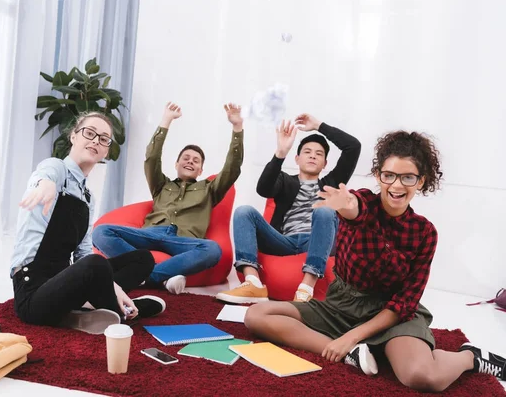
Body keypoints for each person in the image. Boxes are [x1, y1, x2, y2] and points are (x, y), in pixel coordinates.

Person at [242, 130, 505, 391]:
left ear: (421, 181)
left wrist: (352, 336)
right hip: (340, 306)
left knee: (423, 377)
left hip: (390, 315)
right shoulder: (363, 201)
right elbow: (356, 209)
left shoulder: (424, 232)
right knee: (257, 315)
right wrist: (345, 204)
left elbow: (404, 302)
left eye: (408, 177)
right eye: (389, 175)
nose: (397, 185)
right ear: (379, 175)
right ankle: (351, 353)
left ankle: (469, 357)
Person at [10, 112, 165, 335]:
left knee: (142, 259)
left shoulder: (87, 197)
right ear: (74, 136)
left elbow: (82, 255)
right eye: (89, 133)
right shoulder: (56, 169)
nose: (95, 141)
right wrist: (45, 184)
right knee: (96, 264)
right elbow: (45, 173)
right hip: (33, 293)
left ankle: (89, 307)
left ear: (106, 150)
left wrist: (112, 285)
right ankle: (121, 311)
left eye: (103, 139)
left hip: (64, 283)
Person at [93, 102, 244, 294]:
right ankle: (160, 277)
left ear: (201, 170)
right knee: (101, 232)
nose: (190, 161)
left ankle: (148, 276)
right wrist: (166, 121)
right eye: (186, 158)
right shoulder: (161, 185)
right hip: (150, 234)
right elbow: (151, 159)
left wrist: (237, 127)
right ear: (177, 163)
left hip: (183, 240)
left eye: (196, 160)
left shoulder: (210, 189)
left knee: (213, 250)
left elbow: (233, 167)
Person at [217, 115, 361, 304]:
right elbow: (263, 189)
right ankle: (253, 283)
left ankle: (306, 288)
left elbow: (353, 147)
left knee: (324, 210)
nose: (312, 155)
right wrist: (280, 153)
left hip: (317, 240)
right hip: (284, 241)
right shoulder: (285, 180)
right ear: (297, 158)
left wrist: (318, 126)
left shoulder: (331, 183)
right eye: (307, 152)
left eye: (318, 154)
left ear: (325, 163)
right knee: (244, 211)